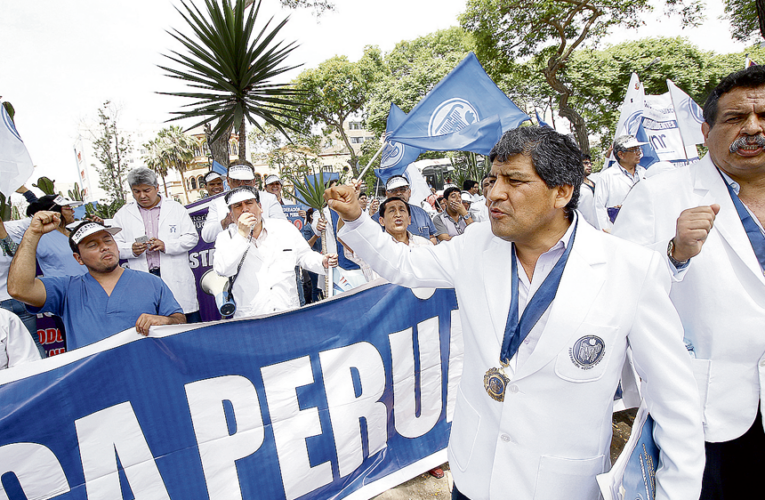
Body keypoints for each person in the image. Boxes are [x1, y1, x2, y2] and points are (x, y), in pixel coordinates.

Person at [326, 126, 704, 500]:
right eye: (492, 180)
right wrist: (357, 219)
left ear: (562, 192)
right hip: (476, 475)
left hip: (562, 486)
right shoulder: (476, 245)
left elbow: (674, 401)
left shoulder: (631, 271)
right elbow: (403, 265)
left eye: (515, 180)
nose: (495, 193)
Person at [612, 65, 765, 499]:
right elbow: (616, 295)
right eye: (736, 118)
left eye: (764, 117)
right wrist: (673, 254)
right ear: (705, 129)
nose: (752, 128)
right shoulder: (660, 195)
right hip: (706, 412)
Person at [8, 218, 185, 350]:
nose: (104, 247)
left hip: (147, 378)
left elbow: (179, 321)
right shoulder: (66, 290)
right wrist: (32, 234)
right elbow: (18, 289)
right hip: (94, 387)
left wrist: (165, 321)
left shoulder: (151, 282)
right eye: (92, 245)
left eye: (108, 240)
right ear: (78, 258)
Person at [213, 187, 337, 318]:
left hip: (287, 312)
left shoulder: (284, 228)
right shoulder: (225, 238)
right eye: (237, 206)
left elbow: (304, 255)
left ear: (260, 207)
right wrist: (242, 236)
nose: (244, 209)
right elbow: (223, 269)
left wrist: (322, 261)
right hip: (251, 318)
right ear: (231, 215)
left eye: (249, 203)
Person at [112, 168, 201, 323]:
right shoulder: (123, 214)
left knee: (186, 320)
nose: (142, 195)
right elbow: (114, 247)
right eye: (136, 191)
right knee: (153, 324)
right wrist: (131, 249)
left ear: (157, 187)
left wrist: (166, 245)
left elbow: (191, 238)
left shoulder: (175, 208)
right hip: (145, 277)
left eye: (147, 190)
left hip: (174, 275)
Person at [201, 161, 286, 243]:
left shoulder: (269, 199)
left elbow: (283, 227)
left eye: (246, 181)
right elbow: (207, 236)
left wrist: (258, 222)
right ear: (228, 181)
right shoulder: (217, 203)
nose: (241, 184)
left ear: (253, 181)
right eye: (236, 181)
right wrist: (225, 222)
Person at [593, 135, 648, 231]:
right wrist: (605, 230)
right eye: (634, 150)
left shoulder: (644, 172)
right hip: (618, 230)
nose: (638, 153)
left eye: (638, 149)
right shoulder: (607, 176)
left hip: (643, 227)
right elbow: (598, 207)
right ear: (621, 155)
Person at [369, 175, 441, 244]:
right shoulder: (376, 218)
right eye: (394, 190)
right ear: (387, 194)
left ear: (409, 192)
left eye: (403, 189)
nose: (399, 193)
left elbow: (432, 237)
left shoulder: (421, 213)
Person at [577, 154, 600, 230]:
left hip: (599, 225)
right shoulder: (575, 186)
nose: (589, 165)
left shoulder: (594, 180)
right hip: (584, 228)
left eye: (590, 163)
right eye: (586, 163)